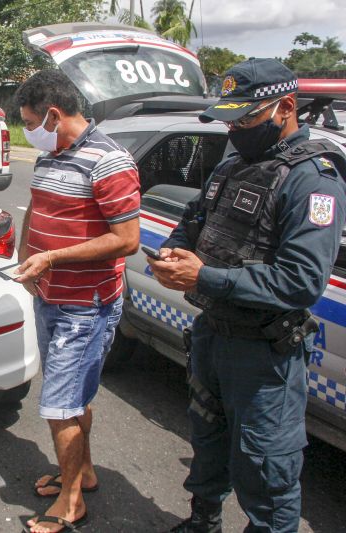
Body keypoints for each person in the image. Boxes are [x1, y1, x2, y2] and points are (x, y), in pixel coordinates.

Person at [149, 58, 346, 533]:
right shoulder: (236, 161)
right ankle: (203, 521)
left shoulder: (313, 178)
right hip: (213, 335)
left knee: (265, 467)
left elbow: (301, 282)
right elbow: (196, 218)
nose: (235, 128)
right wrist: (175, 249)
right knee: (207, 437)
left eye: (246, 118)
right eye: (230, 119)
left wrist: (204, 278)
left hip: (264, 353)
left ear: (285, 107)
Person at [14, 70, 141, 533]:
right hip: (50, 296)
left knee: (60, 405)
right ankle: (82, 474)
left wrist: (51, 257)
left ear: (53, 114)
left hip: (85, 306)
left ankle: (70, 503)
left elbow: (127, 240)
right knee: (73, 396)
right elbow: (38, 208)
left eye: (29, 121)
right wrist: (28, 257)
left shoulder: (109, 161)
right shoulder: (52, 155)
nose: (28, 130)